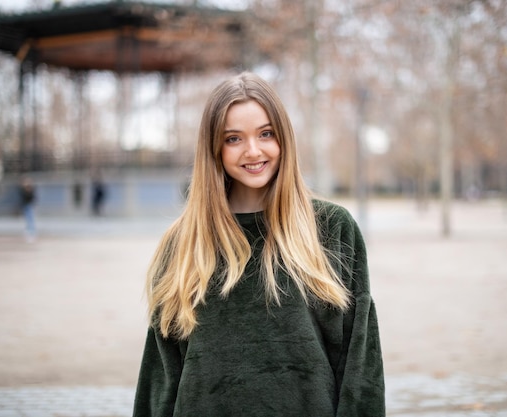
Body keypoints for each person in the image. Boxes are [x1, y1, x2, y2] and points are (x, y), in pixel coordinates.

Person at [133, 72, 385, 417]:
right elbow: (160, 374)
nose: (253, 151)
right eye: (233, 138)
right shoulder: (183, 242)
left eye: (266, 134)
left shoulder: (332, 228)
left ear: (284, 138)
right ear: (214, 148)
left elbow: (360, 362)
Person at [19, 176, 36, 242]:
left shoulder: (31, 190)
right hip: (25, 206)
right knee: (27, 220)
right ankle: (28, 233)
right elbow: (22, 197)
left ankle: (32, 233)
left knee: (30, 219)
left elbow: (32, 198)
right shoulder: (23, 190)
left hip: (29, 206)